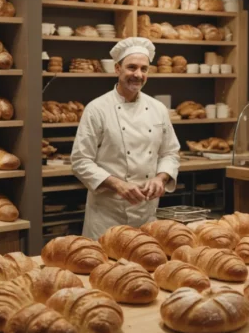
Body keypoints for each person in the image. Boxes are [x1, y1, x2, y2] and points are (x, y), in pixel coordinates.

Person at [71, 37, 180, 240]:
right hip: (107, 216)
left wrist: (161, 178)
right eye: (131, 67)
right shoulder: (97, 109)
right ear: (117, 68)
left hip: (146, 213)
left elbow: (170, 152)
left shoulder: (158, 109)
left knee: (143, 258)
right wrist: (118, 185)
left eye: (144, 69)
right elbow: (80, 160)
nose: (138, 74)